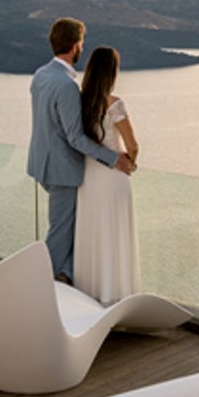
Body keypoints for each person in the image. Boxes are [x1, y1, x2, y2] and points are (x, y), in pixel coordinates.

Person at [27, 18, 133, 284]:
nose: (82, 49)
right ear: (75, 47)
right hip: (61, 169)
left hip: (41, 163)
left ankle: (67, 276)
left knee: (72, 226)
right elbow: (75, 137)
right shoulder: (66, 86)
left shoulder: (41, 74)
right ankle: (38, 286)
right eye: (82, 44)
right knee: (61, 232)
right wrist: (113, 158)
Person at [73, 46, 141, 305]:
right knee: (115, 234)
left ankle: (91, 296)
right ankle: (117, 297)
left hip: (89, 176)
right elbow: (132, 145)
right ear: (112, 72)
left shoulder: (80, 102)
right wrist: (131, 164)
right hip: (113, 178)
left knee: (93, 232)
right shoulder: (115, 104)